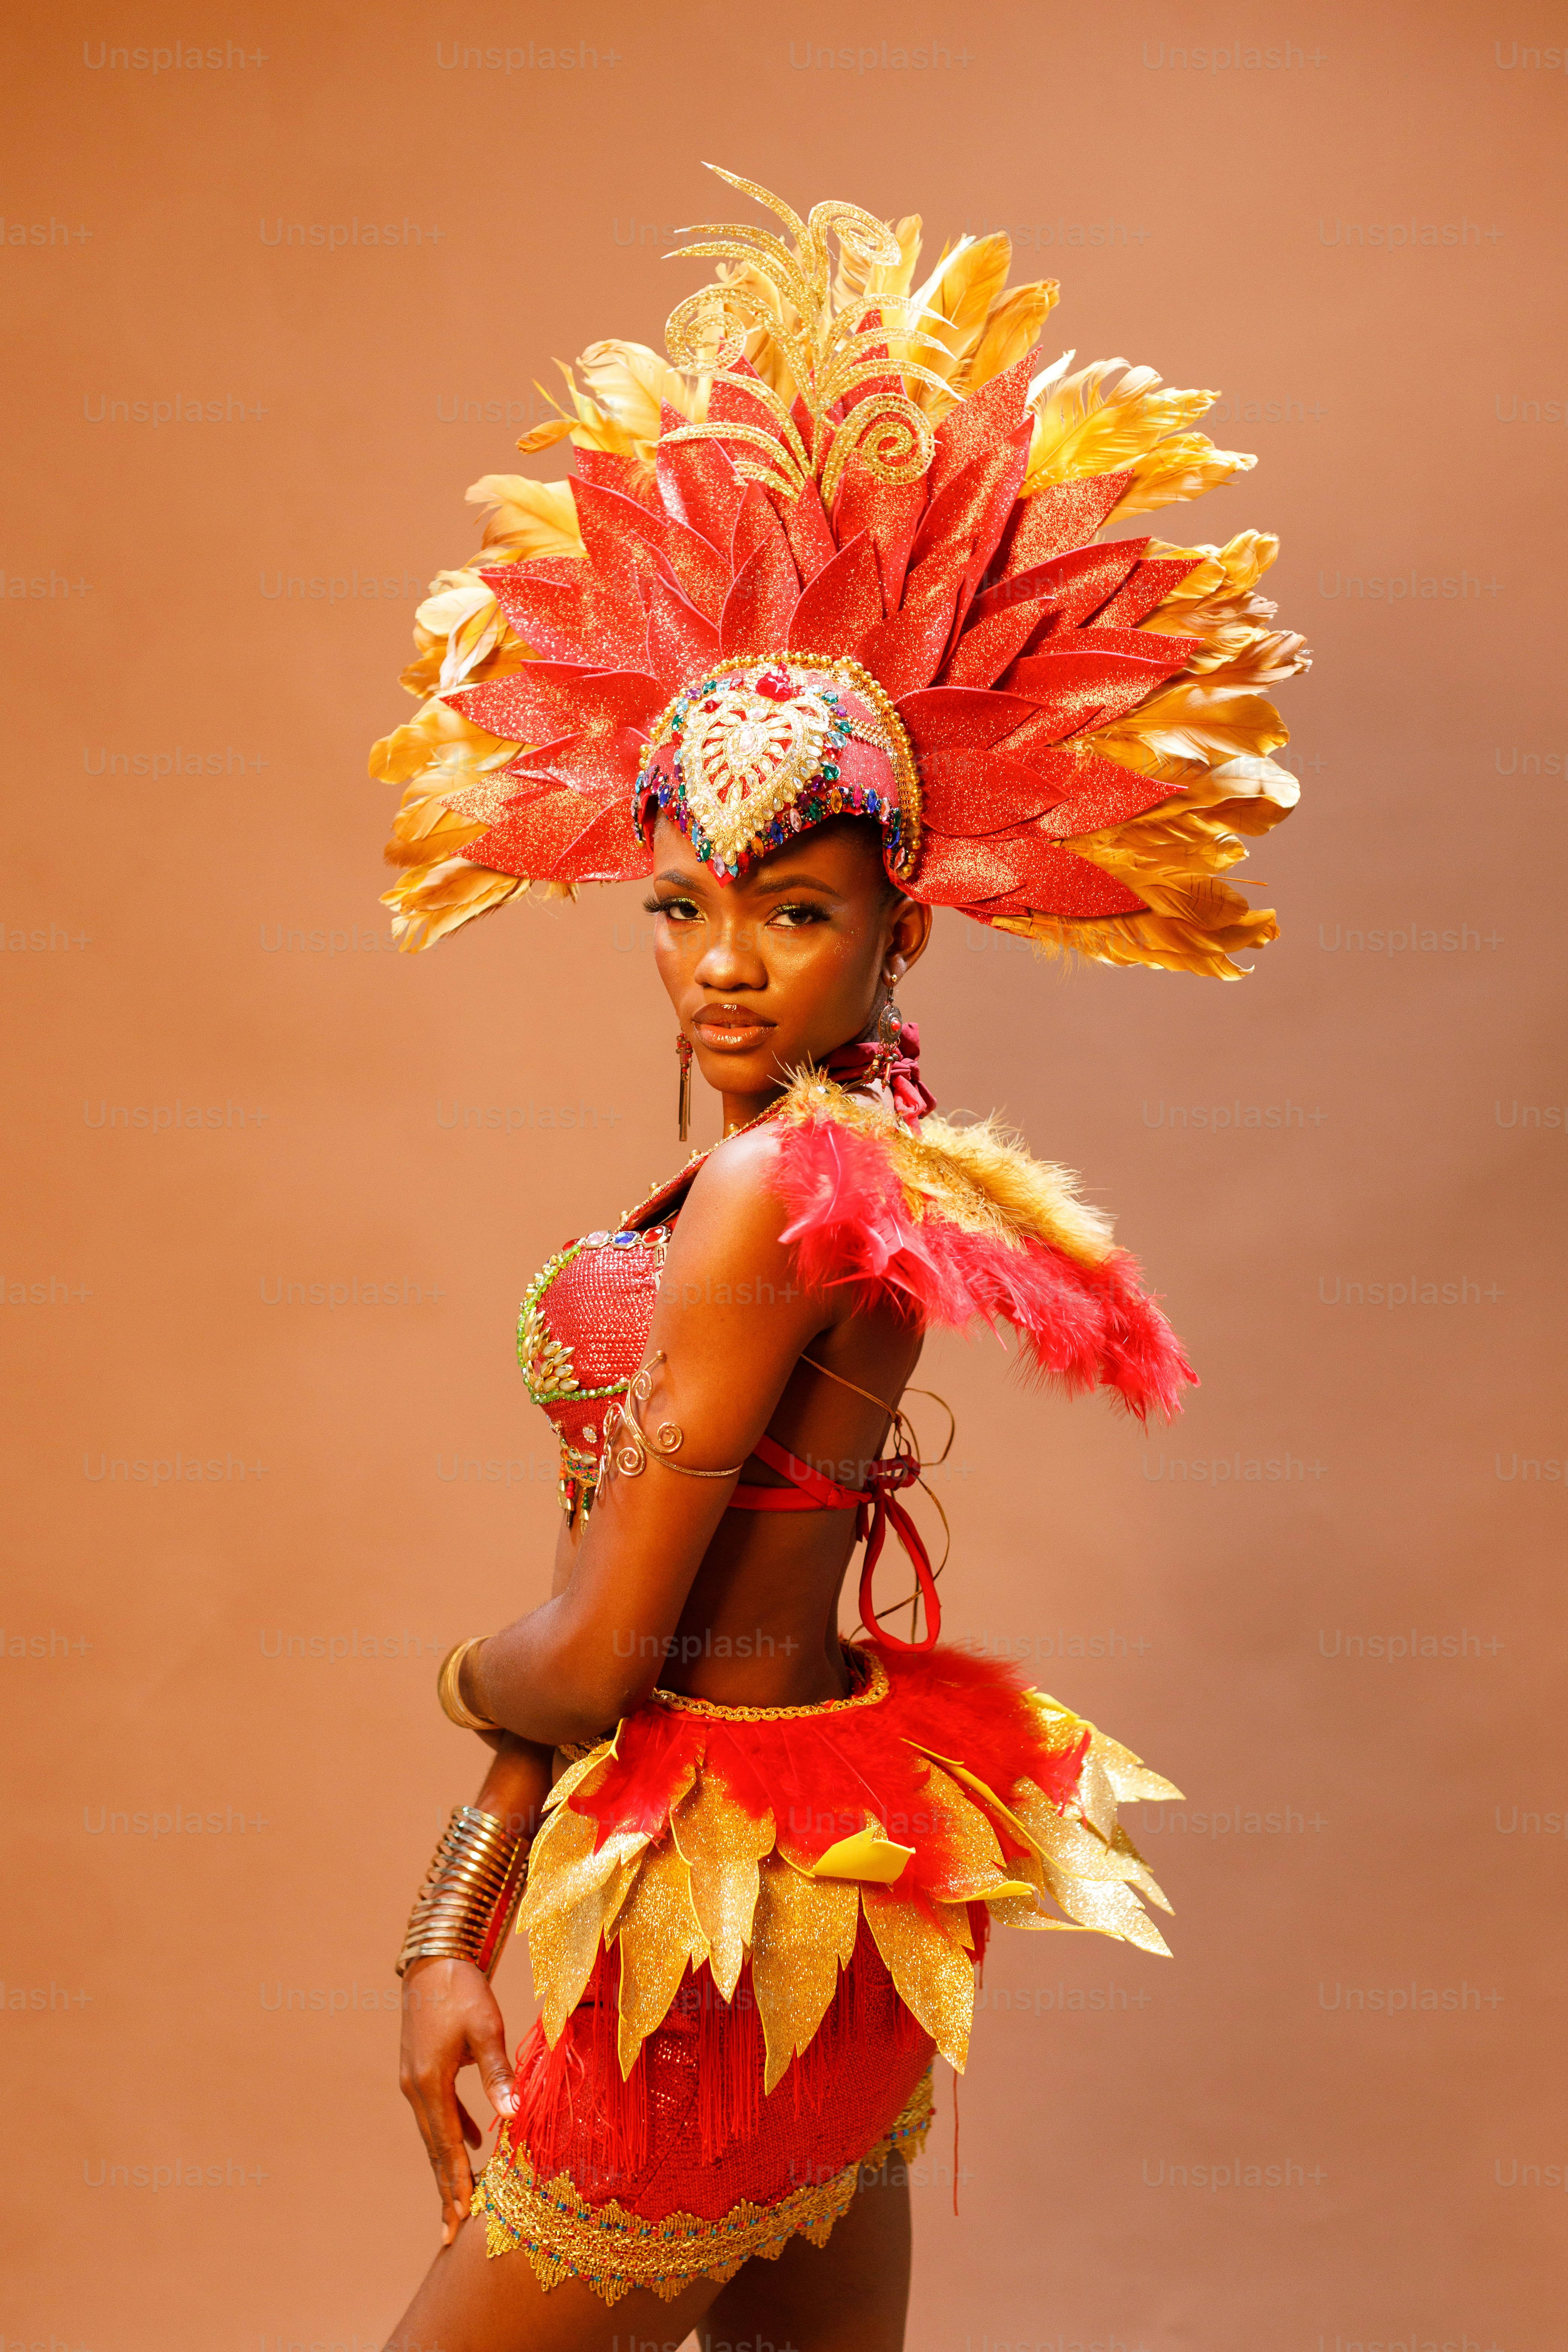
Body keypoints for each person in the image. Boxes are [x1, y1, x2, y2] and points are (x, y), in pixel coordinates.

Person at [373, 168, 1305, 2352]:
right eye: (683, 902)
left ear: (905, 913)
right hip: (809, 1889)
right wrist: (460, 1907)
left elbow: (599, 1651)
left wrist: (461, 1701)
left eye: (794, 907)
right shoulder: (839, 1172)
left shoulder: (775, 1198)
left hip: (719, 1920)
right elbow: (635, 1574)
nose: (722, 963)